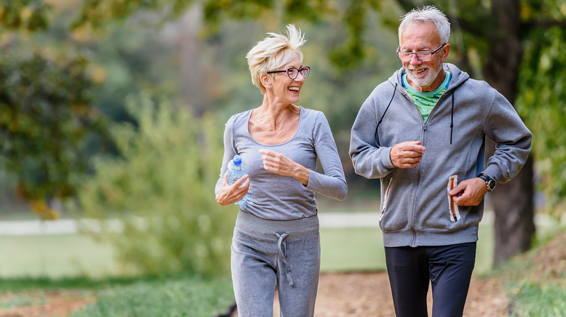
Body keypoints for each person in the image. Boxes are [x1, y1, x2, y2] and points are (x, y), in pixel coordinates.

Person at [349, 6, 531, 317]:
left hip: (455, 234)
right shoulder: (382, 98)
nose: (413, 61)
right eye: (406, 51)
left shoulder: (478, 97)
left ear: (444, 51)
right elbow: (359, 154)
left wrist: (486, 180)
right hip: (399, 236)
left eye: (423, 51)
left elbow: (517, 141)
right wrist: (388, 157)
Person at [215, 24, 347, 317]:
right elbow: (222, 180)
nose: (299, 78)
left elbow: (339, 188)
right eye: (290, 72)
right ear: (266, 79)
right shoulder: (236, 126)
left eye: (301, 70)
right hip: (249, 240)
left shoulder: (314, 122)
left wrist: (298, 171)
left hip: (301, 241)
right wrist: (223, 194)